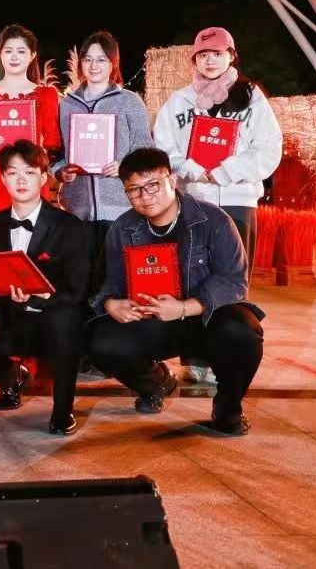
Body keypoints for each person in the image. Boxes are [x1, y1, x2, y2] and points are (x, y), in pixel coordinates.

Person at [87, 147, 265, 436]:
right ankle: (154, 384)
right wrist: (111, 304)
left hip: (205, 320)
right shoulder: (122, 228)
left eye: (152, 185)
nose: (145, 196)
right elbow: (108, 282)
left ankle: (228, 407)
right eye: (134, 190)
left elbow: (233, 281)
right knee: (100, 339)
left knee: (243, 330)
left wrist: (184, 307)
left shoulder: (214, 220)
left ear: (170, 180)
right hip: (152, 321)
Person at [152, 27, 281, 384]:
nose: (210, 61)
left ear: (231, 56)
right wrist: (193, 169)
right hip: (193, 201)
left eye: (217, 54)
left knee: (231, 283)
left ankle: (227, 357)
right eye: (203, 55)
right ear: (194, 59)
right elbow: (163, 147)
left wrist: (225, 171)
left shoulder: (252, 98)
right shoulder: (179, 101)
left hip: (238, 200)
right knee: (191, 279)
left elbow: (269, 149)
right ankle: (194, 358)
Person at [0, 141, 92, 436]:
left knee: (65, 321)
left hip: (55, 321)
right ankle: (11, 377)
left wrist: (41, 297)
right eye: (13, 172)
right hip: (13, 322)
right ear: (3, 179)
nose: (21, 180)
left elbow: (78, 289)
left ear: (43, 178)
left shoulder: (70, 226)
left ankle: (63, 410)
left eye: (29, 172)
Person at [53, 30, 153, 270]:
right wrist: (61, 171)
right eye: (88, 59)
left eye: (101, 59)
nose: (94, 66)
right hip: (77, 210)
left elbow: (146, 148)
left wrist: (125, 167)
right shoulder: (66, 104)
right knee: (82, 279)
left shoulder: (129, 101)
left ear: (113, 63)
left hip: (120, 208)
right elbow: (58, 152)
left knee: (116, 278)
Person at [0, 25, 61, 224]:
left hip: (31, 175)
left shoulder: (46, 95)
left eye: (21, 51)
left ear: (32, 55)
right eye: (8, 51)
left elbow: (53, 142)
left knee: (35, 234)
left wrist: (42, 156)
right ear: (1, 53)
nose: (14, 57)